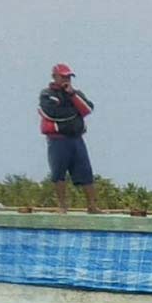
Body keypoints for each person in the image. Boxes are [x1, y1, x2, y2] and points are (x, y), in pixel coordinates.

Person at [38, 63, 98, 213]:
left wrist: (72, 96)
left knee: (85, 172)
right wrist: (74, 112)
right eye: (63, 76)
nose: (67, 79)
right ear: (55, 77)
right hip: (58, 140)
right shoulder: (47, 94)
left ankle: (92, 205)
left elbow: (88, 108)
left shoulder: (75, 93)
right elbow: (53, 112)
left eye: (69, 77)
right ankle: (62, 206)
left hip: (76, 139)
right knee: (58, 173)